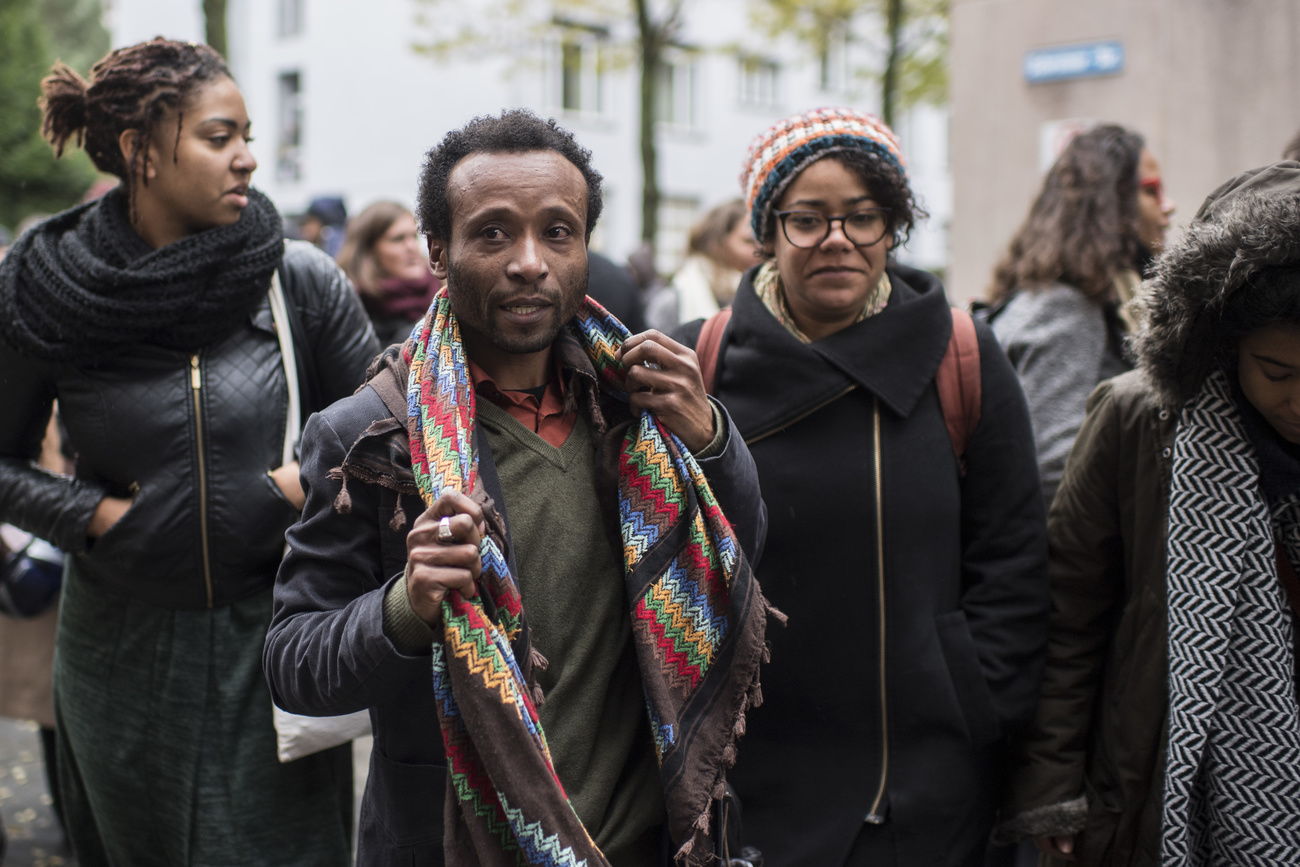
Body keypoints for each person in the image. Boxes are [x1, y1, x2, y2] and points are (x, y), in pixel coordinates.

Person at [263, 109, 777, 867]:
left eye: (557, 231)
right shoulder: (371, 435)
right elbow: (292, 660)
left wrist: (711, 438)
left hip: (645, 842)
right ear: (438, 250)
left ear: (584, 247)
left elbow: (739, 553)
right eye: (494, 233)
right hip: (461, 845)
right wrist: (406, 606)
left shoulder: (637, 403)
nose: (530, 260)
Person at [0, 38, 379, 865]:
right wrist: (93, 514)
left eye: (247, 134)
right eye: (219, 137)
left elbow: (391, 426)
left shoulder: (299, 278)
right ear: (140, 150)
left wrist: (291, 484)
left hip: (273, 636)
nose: (247, 158)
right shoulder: (48, 287)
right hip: (117, 648)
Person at [672, 107, 1050, 866]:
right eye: (807, 219)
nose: (837, 239)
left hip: (921, 777)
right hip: (749, 766)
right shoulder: (702, 362)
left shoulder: (963, 355)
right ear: (768, 230)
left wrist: (974, 701)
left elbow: (1013, 557)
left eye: (863, 217)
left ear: (893, 226)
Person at [996, 162, 1300, 865]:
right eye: (1276, 372)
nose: (1296, 402)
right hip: (1156, 776)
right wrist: (1052, 785)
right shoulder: (1137, 419)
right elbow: (1071, 611)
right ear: (1221, 346)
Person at [985, 124, 1175, 505]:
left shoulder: (1058, 296)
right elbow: (1057, 471)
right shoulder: (1069, 308)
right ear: (1113, 207)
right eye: (1151, 190)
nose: (1168, 206)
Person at [337, 200, 440, 345]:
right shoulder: (354, 314)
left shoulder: (445, 295)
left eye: (414, 236)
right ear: (369, 251)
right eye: (398, 239)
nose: (412, 247)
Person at [646, 199, 757, 331]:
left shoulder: (768, 294)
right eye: (749, 241)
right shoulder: (673, 302)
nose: (759, 249)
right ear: (718, 243)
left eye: (762, 240)